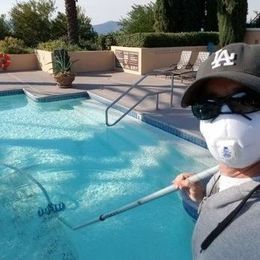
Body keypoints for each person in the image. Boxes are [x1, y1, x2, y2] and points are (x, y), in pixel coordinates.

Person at [173, 43, 260, 260]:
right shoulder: (221, 176)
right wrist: (203, 199)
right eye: (207, 106)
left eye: (246, 101)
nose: (225, 119)